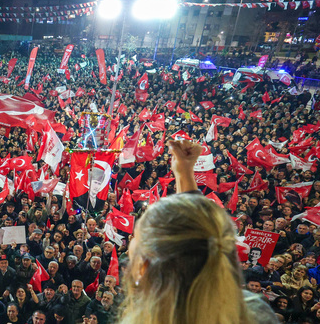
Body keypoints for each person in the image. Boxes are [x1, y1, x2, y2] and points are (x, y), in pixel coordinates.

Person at [118, 139, 276, 324]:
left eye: (137, 237)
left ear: (143, 268)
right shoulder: (254, 312)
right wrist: (184, 172)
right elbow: (197, 238)